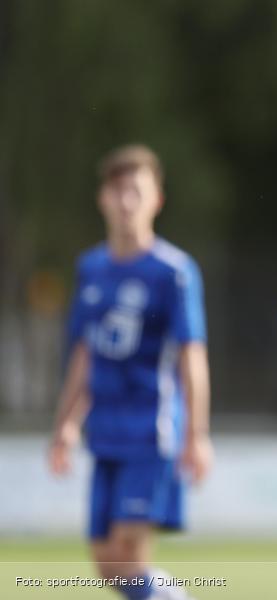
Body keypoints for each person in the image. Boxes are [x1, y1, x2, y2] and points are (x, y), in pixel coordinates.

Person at [49, 145, 212, 600]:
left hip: (151, 431)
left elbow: (191, 355)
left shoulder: (173, 271)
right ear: (102, 198)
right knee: (108, 565)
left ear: (156, 200)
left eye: (136, 192)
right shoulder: (91, 268)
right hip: (104, 431)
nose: (125, 202)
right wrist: (66, 424)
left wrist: (197, 434)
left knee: (127, 555)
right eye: (117, 191)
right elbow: (85, 353)